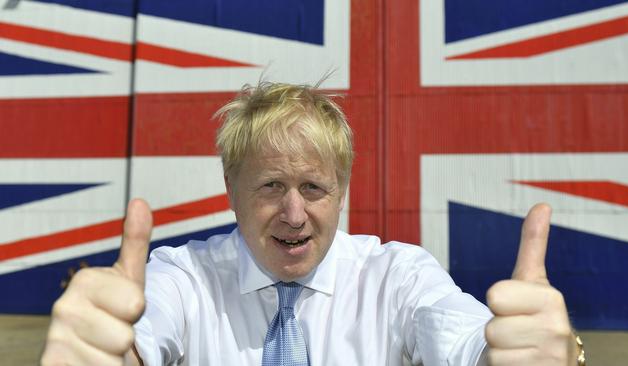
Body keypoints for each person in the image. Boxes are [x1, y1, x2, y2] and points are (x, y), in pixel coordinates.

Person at [41, 81, 582, 365]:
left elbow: (460, 338)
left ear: (342, 192)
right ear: (231, 191)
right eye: (271, 186)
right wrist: (112, 353)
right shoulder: (184, 276)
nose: (294, 215)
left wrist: (512, 357)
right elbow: (141, 333)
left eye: (314, 188)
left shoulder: (397, 276)